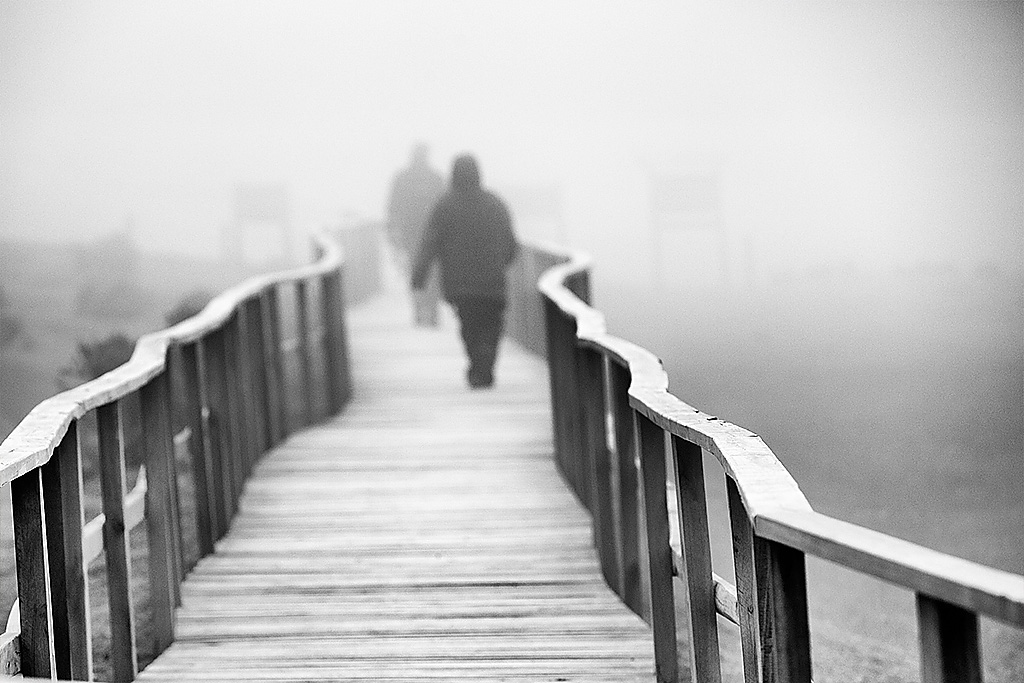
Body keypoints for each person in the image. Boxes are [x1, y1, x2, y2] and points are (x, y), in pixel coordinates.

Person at [411, 154, 519, 388]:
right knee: (491, 325)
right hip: (492, 283)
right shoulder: (495, 204)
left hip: (460, 285)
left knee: (469, 325)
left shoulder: (444, 206)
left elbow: (430, 243)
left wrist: (419, 275)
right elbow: (511, 245)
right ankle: (485, 362)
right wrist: (503, 261)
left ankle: (478, 364)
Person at [386, 143, 445, 325]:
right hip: (432, 235)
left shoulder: (402, 178)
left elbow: (393, 208)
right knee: (433, 272)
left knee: (416, 270)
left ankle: (420, 309)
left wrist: (393, 233)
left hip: (410, 234)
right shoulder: (436, 178)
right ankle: (431, 311)